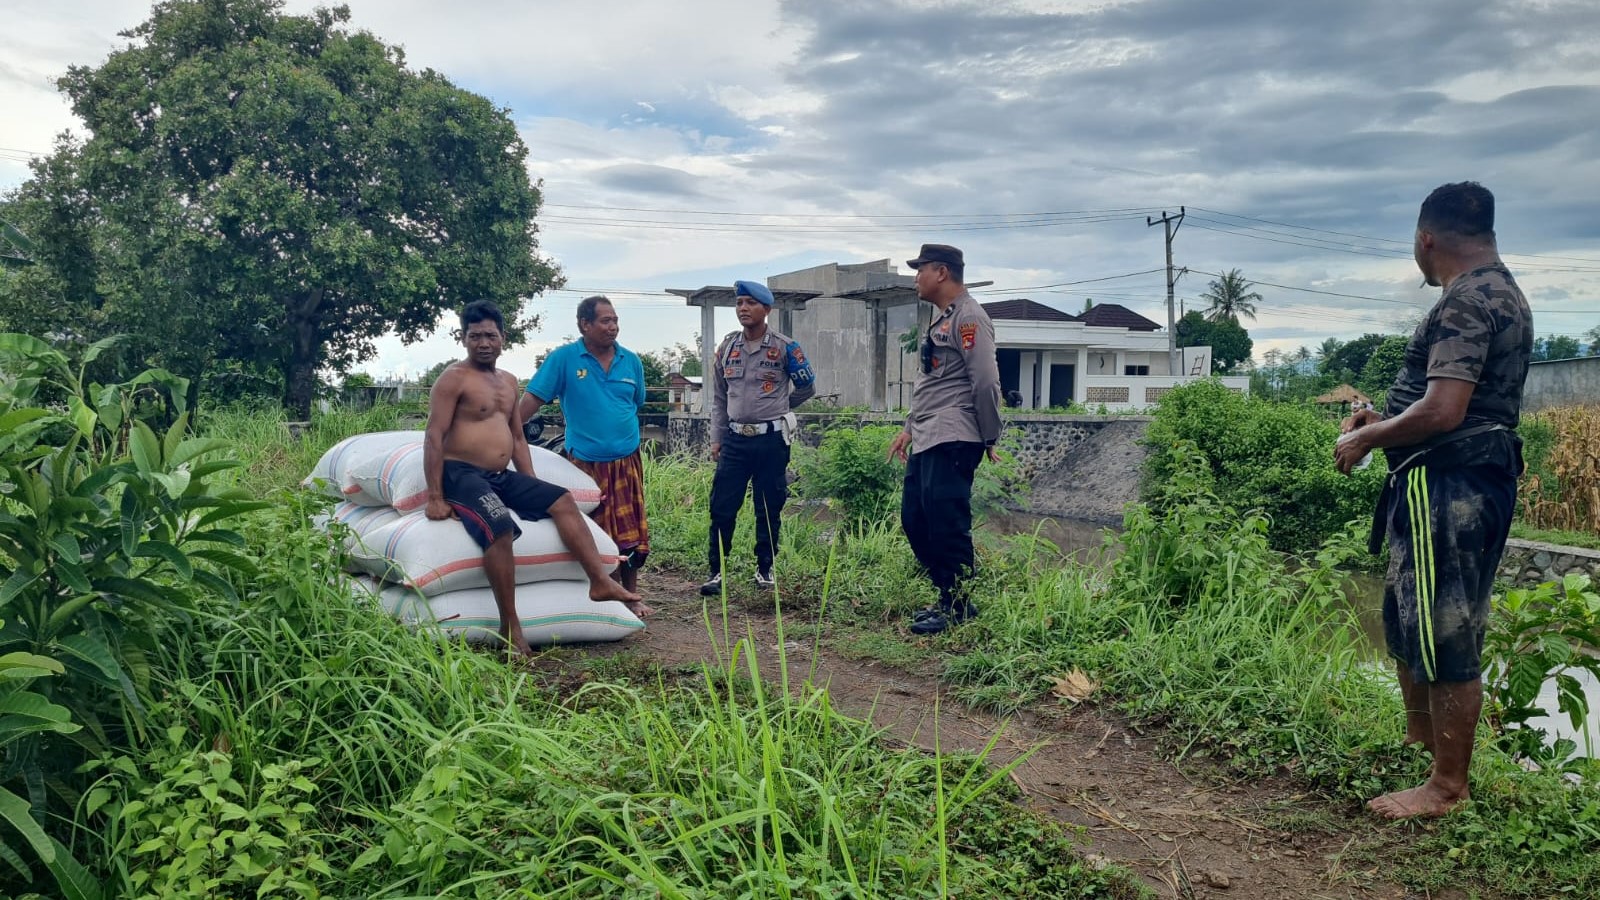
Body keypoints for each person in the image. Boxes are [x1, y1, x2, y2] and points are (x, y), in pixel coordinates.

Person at [1334, 182, 1532, 819]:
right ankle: (1421, 744)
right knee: (1409, 615)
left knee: (1446, 627)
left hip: (1451, 483)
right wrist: (1384, 416)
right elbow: (1445, 399)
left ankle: (1446, 787)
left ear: (1425, 238)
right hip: (1454, 478)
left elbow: (1444, 411)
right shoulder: (1497, 291)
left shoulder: (1469, 299)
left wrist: (1367, 438)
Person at [424, 300, 645, 657]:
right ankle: (510, 626)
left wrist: (531, 486)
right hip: (462, 474)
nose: (483, 343)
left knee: (562, 500)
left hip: (500, 474)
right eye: (475, 336)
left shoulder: (508, 382)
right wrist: (435, 495)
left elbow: (516, 437)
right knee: (499, 526)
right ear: (463, 338)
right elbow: (434, 436)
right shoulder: (453, 379)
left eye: (490, 336)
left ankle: (599, 582)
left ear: (503, 339)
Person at [887, 244, 1002, 635]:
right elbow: (930, 383)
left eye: (920, 270)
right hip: (928, 434)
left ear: (941, 272)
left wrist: (989, 435)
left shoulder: (970, 317)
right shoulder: (943, 319)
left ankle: (957, 605)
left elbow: (985, 381)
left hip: (954, 437)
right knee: (915, 520)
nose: (916, 277)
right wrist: (908, 426)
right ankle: (946, 595)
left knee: (947, 523)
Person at [520, 296, 652, 595]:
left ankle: (631, 594)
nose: (613, 327)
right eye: (605, 321)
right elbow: (531, 401)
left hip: (627, 461)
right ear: (585, 324)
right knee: (595, 531)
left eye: (615, 320)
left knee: (632, 532)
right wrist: (504, 433)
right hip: (584, 464)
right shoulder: (564, 359)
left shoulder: (630, 361)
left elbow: (636, 403)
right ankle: (604, 588)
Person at [700, 280, 816, 594]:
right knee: (722, 506)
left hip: (771, 440)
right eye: (739, 303)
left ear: (766, 309)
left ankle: (764, 569)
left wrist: (781, 406)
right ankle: (717, 571)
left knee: (768, 506)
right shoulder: (727, 348)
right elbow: (719, 399)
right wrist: (716, 439)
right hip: (735, 440)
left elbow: (807, 386)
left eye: (750, 303)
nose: (743, 309)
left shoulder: (785, 347)